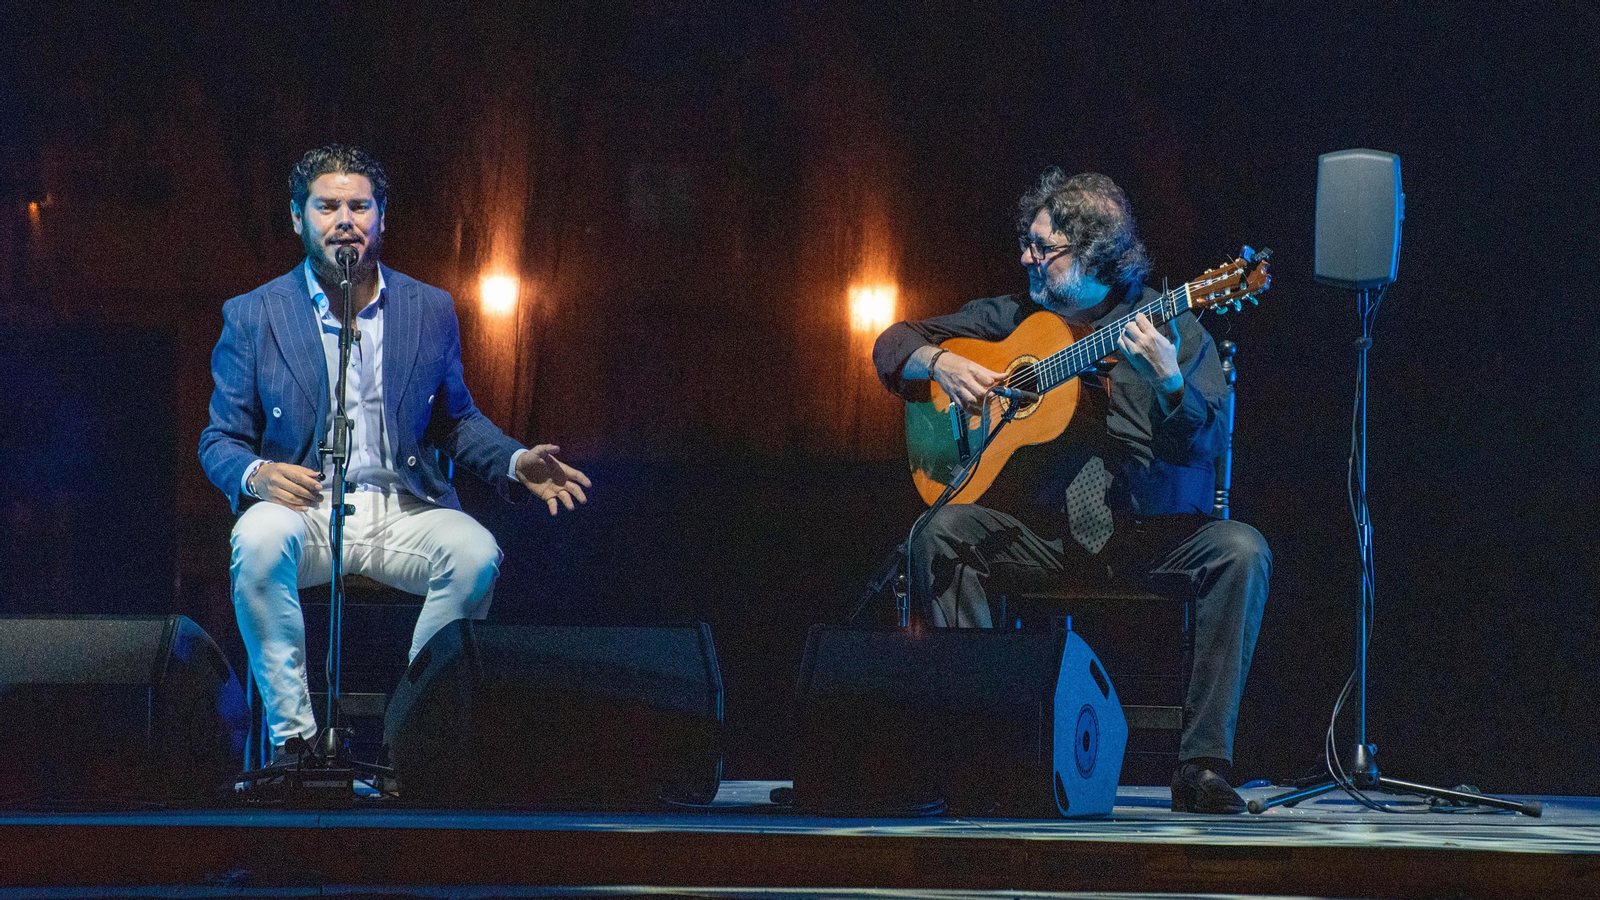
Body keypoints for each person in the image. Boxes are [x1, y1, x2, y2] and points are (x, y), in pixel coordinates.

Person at [872, 169, 1270, 814]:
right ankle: (987, 746)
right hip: (1041, 535)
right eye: (1028, 243)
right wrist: (942, 363)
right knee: (938, 533)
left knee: (1242, 550)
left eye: (1043, 247)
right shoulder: (1013, 319)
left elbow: (1205, 446)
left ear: (1095, 256)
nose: (1026, 257)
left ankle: (1201, 768)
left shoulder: (1170, 325)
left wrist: (1170, 382)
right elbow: (893, 344)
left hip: (1145, 532)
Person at [199, 144, 591, 761]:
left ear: (382, 217)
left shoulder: (428, 308)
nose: (345, 219)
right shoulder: (254, 314)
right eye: (327, 206)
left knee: (475, 553)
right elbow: (218, 440)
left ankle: (412, 732)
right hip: (305, 508)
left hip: (402, 507)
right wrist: (258, 474)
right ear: (298, 218)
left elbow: (455, 421)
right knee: (257, 542)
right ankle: (294, 744)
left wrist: (515, 462)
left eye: (360, 205)